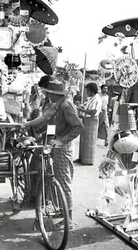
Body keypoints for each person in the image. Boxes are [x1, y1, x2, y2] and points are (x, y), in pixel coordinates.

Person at [25, 79, 84, 229]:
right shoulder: (57, 105)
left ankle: (68, 220)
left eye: (47, 93)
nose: (46, 95)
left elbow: (78, 127)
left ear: (52, 94)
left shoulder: (66, 105)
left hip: (63, 147)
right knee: (55, 178)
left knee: (63, 181)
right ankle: (61, 211)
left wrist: (62, 141)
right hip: (55, 143)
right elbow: (44, 119)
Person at [77, 82, 102, 165]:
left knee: (89, 141)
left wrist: (82, 110)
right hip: (86, 120)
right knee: (83, 140)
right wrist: (83, 108)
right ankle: (81, 158)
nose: (86, 92)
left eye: (87, 91)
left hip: (91, 121)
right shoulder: (91, 98)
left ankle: (87, 160)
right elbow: (88, 108)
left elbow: (93, 112)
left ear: (92, 91)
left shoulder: (97, 99)